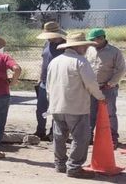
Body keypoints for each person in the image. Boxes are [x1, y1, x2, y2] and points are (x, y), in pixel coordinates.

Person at [46, 32, 105, 179]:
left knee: (59, 136)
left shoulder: (55, 61)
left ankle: (60, 164)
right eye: (84, 45)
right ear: (79, 47)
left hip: (57, 105)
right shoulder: (80, 61)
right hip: (76, 106)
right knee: (80, 138)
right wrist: (100, 97)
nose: (86, 48)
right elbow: (91, 83)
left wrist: (51, 102)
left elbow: (48, 85)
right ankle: (74, 167)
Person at [86, 28, 126, 149]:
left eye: (94, 39)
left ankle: (113, 138)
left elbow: (121, 69)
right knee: (90, 113)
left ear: (102, 38)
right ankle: (88, 138)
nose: (93, 42)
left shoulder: (115, 52)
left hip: (108, 88)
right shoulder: (90, 50)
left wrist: (112, 83)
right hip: (92, 88)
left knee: (110, 113)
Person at [33, 21, 66, 141]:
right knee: (41, 109)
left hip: (58, 83)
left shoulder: (65, 46)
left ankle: (54, 132)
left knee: (56, 110)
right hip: (44, 82)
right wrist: (39, 77)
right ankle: (40, 130)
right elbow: (43, 61)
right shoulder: (46, 44)